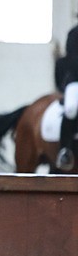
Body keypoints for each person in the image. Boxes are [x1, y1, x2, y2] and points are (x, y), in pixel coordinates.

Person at [55, 19, 78, 170]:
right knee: (71, 108)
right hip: (76, 80)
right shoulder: (74, 33)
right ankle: (66, 150)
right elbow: (72, 59)